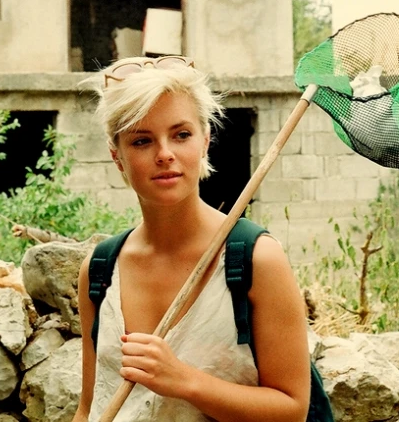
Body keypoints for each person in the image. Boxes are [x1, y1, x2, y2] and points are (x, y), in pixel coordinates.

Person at [73, 56, 310, 422]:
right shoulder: (100, 270)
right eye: (141, 140)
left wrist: (183, 380)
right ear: (116, 156)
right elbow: (90, 406)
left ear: (204, 142)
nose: (165, 154)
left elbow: (292, 409)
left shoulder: (255, 259)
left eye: (181, 135)